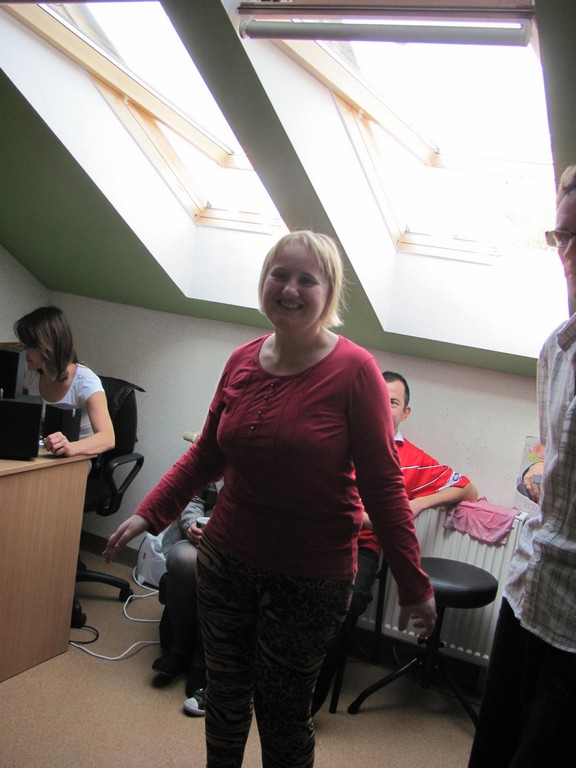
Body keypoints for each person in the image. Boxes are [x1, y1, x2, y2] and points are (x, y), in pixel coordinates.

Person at [104, 230, 436, 768]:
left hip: (311, 578)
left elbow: (383, 487)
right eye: (279, 274)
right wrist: (149, 512)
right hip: (226, 562)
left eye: (308, 279)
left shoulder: (357, 372)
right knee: (225, 702)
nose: (290, 288)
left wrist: (413, 584)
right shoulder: (241, 359)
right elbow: (207, 453)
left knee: (283, 716)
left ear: (330, 293)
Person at [467, 167, 576, 768]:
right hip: (529, 585)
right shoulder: (558, 348)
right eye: (563, 235)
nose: (569, 253)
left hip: (574, 622)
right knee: (492, 747)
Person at [312, 369, 478, 714]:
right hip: (313, 535)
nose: (381, 406)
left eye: (392, 402)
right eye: (375, 398)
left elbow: (467, 488)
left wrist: (420, 503)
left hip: (360, 548)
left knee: (346, 601)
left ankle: (307, 700)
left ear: (406, 412)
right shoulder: (335, 439)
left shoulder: (412, 459)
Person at [152, 481, 223, 717]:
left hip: (234, 547)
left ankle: (202, 662)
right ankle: (180, 648)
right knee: (183, 560)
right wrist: (191, 525)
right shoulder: (216, 458)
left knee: (216, 571)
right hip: (199, 538)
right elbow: (194, 497)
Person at [14, 305, 114, 457]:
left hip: (78, 460)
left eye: (29, 346)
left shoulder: (86, 382)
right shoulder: (32, 372)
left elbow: (107, 438)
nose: (24, 351)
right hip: (44, 454)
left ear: (47, 346)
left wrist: (71, 447)